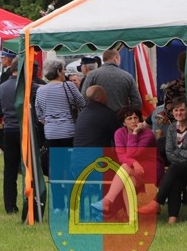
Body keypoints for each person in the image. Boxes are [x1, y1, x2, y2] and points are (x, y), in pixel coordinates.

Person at [35, 58, 86, 212]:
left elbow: (39, 114)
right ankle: (72, 202)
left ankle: (58, 205)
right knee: (71, 168)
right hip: (69, 132)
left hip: (51, 134)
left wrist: (51, 121)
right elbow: (82, 103)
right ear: (58, 71)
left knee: (55, 170)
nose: (65, 72)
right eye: (63, 69)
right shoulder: (69, 86)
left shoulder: (41, 90)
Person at [153, 101, 187, 223]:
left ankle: (157, 202)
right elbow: (169, 153)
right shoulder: (172, 128)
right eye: (176, 110)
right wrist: (186, 156)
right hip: (181, 169)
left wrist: (178, 153)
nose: (179, 113)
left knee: (174, 168)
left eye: (182, 110)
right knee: (176, 178)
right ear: (172, 112)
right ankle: (172, 220)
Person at [94, 105, 157, 214]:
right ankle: (131, 217)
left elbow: (132, 153)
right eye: (129, 118)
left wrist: (134, 134)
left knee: (125, 166)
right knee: (128, 182)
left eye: (135, 118)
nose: (133, 121)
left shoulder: (148, 134)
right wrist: (134, 162)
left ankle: (107, 200)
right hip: (133, 168)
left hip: (151, 167)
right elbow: (121, 156)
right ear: (123, 123)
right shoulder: (119, 133)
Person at [0, 59, 22, 214]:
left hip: (9, 129)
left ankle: (10, 205)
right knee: (29, 167)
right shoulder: (28, 86)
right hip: (25, 130)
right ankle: (32, 201)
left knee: (10, 170)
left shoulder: (2, 87)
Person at [79, 48, 142, 114]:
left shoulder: (92, 75)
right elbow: (137, 102)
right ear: (116, 58)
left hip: (98, 116)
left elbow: (83, 99)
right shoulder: (127, 76)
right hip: (120, 117)